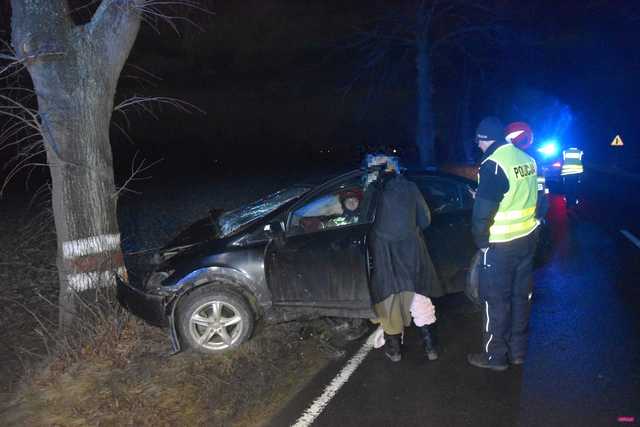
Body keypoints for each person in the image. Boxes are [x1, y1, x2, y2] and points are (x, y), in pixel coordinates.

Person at [467, 117, 540, 371]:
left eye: (479, 141)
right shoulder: (526, 160)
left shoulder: (493, 164)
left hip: (501, 246)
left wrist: (482, 243)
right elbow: (534, 198)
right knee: (521, 298)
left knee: (495, 300)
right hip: (527, 239)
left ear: (486, 139)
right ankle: (517, 352)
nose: (478, 146)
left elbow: (482, 215)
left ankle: (495, 356)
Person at [367, 154, 444, 362]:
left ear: (374, 171)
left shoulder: (373, 191)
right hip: (411, 251)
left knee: (389, 299)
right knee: (418, 295)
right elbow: (425, 219)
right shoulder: (410, 187)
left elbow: (364, 224)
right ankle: (430, 347)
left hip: (385, 254)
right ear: (394, 168)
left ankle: (395, 350)